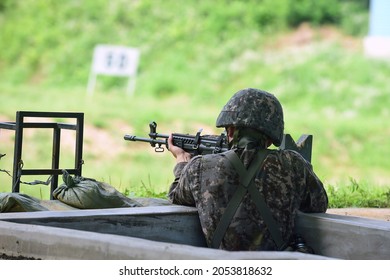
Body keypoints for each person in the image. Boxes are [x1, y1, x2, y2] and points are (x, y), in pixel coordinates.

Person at [167, 88, 328, 251]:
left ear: (230, 130)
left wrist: (182, 162)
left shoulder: (199, 167)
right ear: (272, 138)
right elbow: (318, 204)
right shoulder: (294, 165)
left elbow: (176, 196)